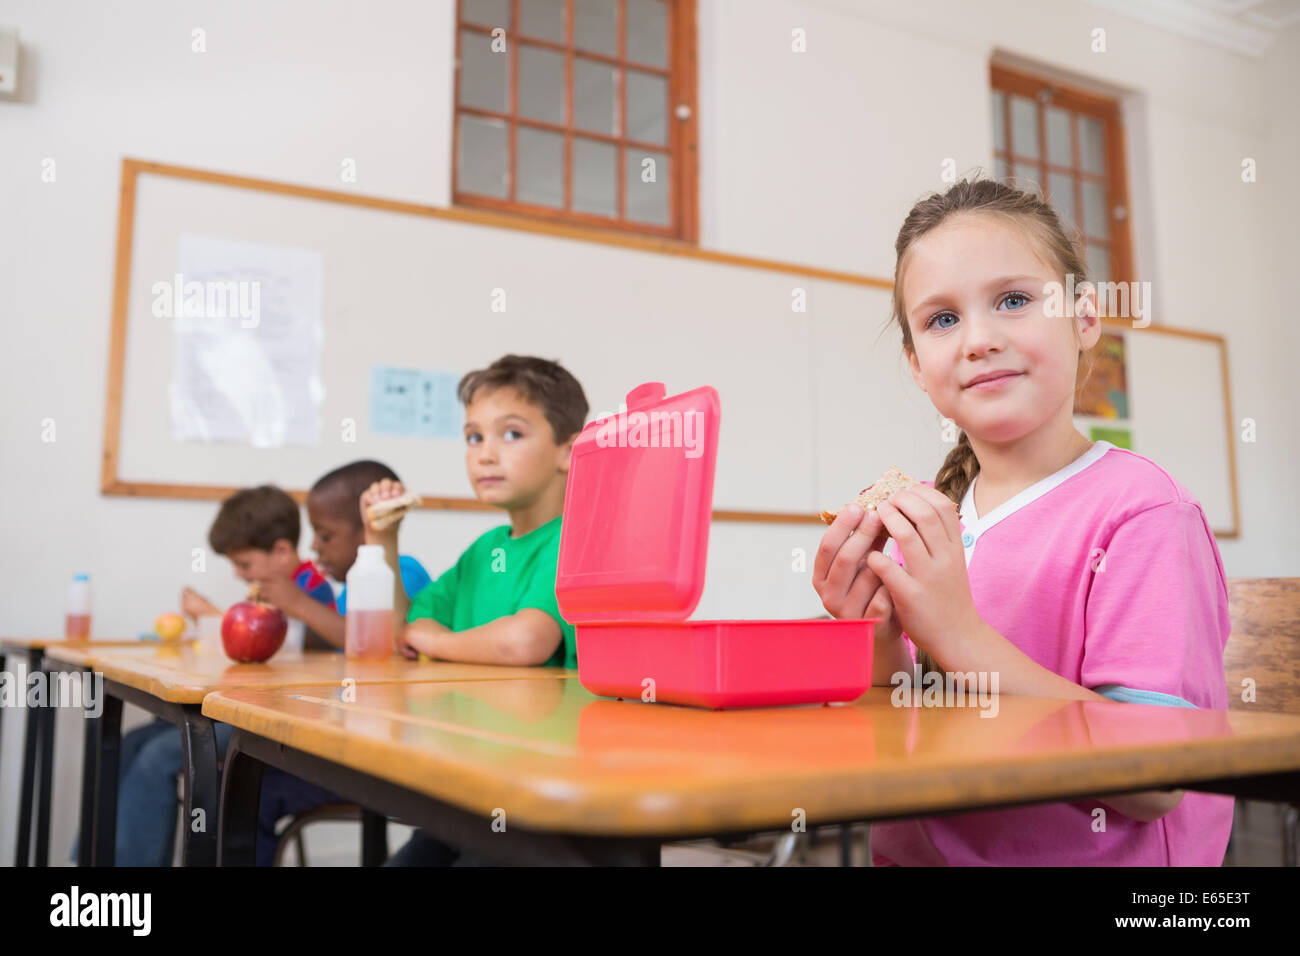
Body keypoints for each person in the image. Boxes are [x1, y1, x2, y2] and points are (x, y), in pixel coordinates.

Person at [813, 178, 1233, 866]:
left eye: (1013, 300)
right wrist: (878, 641)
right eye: (941, 320)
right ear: (917, 365)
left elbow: (1156, 781)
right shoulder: (925, 517)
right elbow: (903, 729)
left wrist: (960, 637)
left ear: (1085, 317)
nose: (978, 339)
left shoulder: (1144, 514)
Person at [366, 354, 587, 865]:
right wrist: (382, 537)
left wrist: (437, 641)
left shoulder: (574, 540)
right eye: (473, 437)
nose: (485, 454)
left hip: (543, 796)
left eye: (511, 434)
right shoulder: (481, 552)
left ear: (568, 452)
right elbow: (399, 631)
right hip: (470, 786)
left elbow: (526, 641)